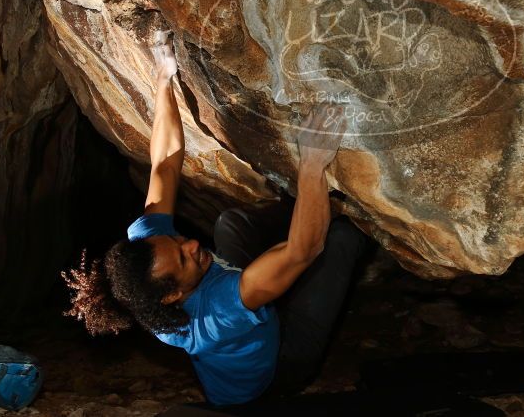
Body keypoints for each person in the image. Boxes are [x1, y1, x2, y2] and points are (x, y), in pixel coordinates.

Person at [63, 30, 368, 407]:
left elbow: (166, 162)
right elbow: (303, 251)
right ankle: (317, 211)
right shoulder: (216, 316)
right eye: (183, 258)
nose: (189, 243)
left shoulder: (148, 252)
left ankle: (303, 214)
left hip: (247, 303)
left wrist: (163, 78)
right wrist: (312, 165)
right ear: (174, 295)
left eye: (175, 241)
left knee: (231, 224)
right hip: (277, 370)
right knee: (340, 238)